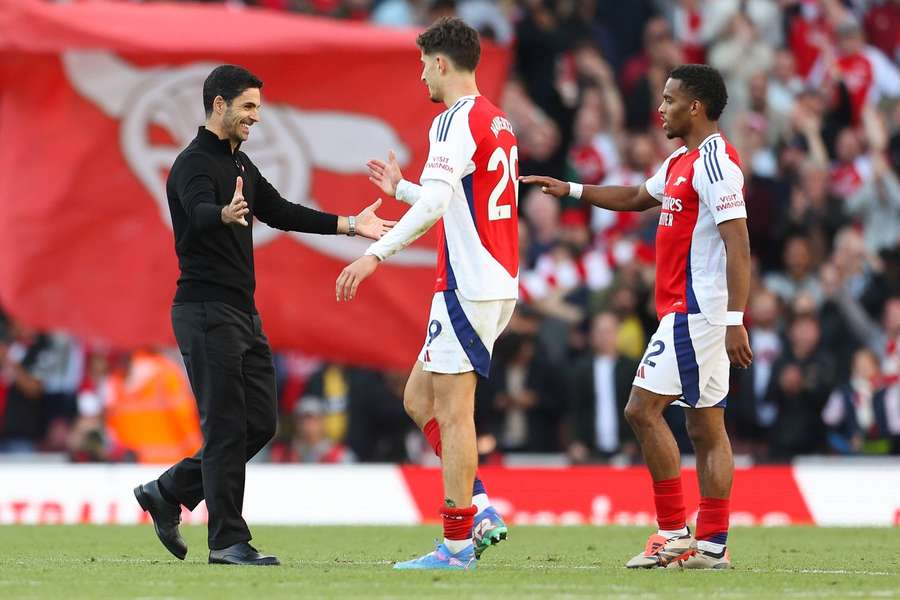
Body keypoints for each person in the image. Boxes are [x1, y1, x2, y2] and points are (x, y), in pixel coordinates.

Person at [133, 64, 394, 567]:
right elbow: (195, 209)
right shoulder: (191, 164)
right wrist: (221, 215)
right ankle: (227, 541)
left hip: (240, 313)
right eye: (248, 106)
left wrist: (349, 225)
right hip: (205, 310)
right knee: (227, 426)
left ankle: (167, 492)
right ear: (219, 106)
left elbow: (280, 210)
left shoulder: (242, 165)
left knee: (261, 423)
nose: (256, 116)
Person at [521, 64, 752, 570]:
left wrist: (735, 317)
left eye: (669, 99)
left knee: (641, 409)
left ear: (695, 106)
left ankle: (673, 532)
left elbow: (739, 244)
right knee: (706, 425)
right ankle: (711, 545)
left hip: (698, 311)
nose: (660, 108)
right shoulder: (681, 161)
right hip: (695, 312)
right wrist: (573, 190)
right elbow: (634, 197)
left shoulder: (717, 165)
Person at [336, 17, 519, 570]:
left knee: (456, 414)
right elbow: (454, 197)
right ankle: (479, 506)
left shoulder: (451, 120)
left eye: (422, 65)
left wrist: (374, 254)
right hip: (494, 279)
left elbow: (438, 206)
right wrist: (402, 189)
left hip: (468, 283)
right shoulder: (496, 119)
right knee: (419, 398)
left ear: (441, 63)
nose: (421, 77)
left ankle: (458, 544)